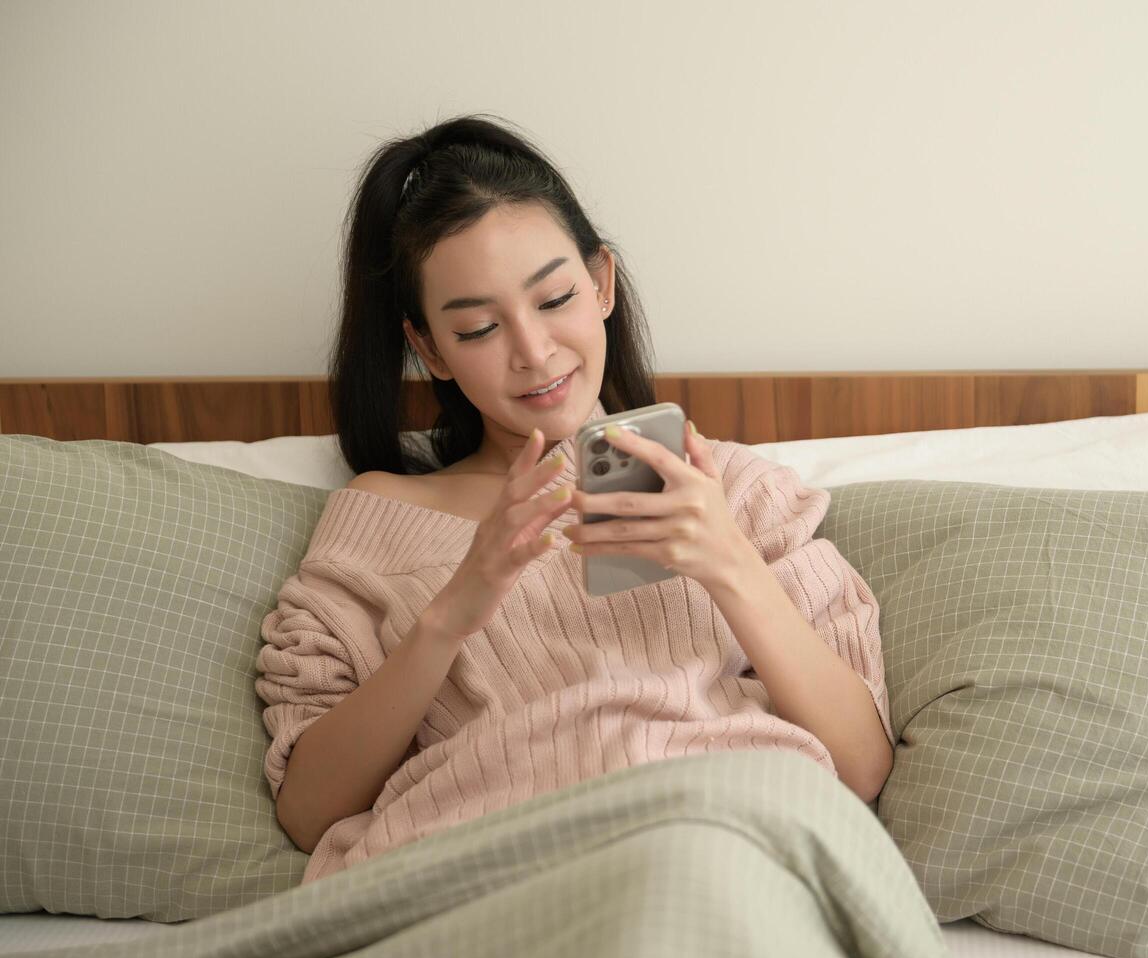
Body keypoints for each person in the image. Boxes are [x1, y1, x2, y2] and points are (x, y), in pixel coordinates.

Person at [254, 113, 896, 885]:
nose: (533, 352)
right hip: (484, 874)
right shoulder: (381, 517)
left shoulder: (737, 492)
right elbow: (309, 813)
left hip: (723, 851)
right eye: (481, 327)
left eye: (554, 298)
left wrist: (727, 563)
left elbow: (859, 768)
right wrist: (457, 606)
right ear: (429, 349)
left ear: (601, 285)